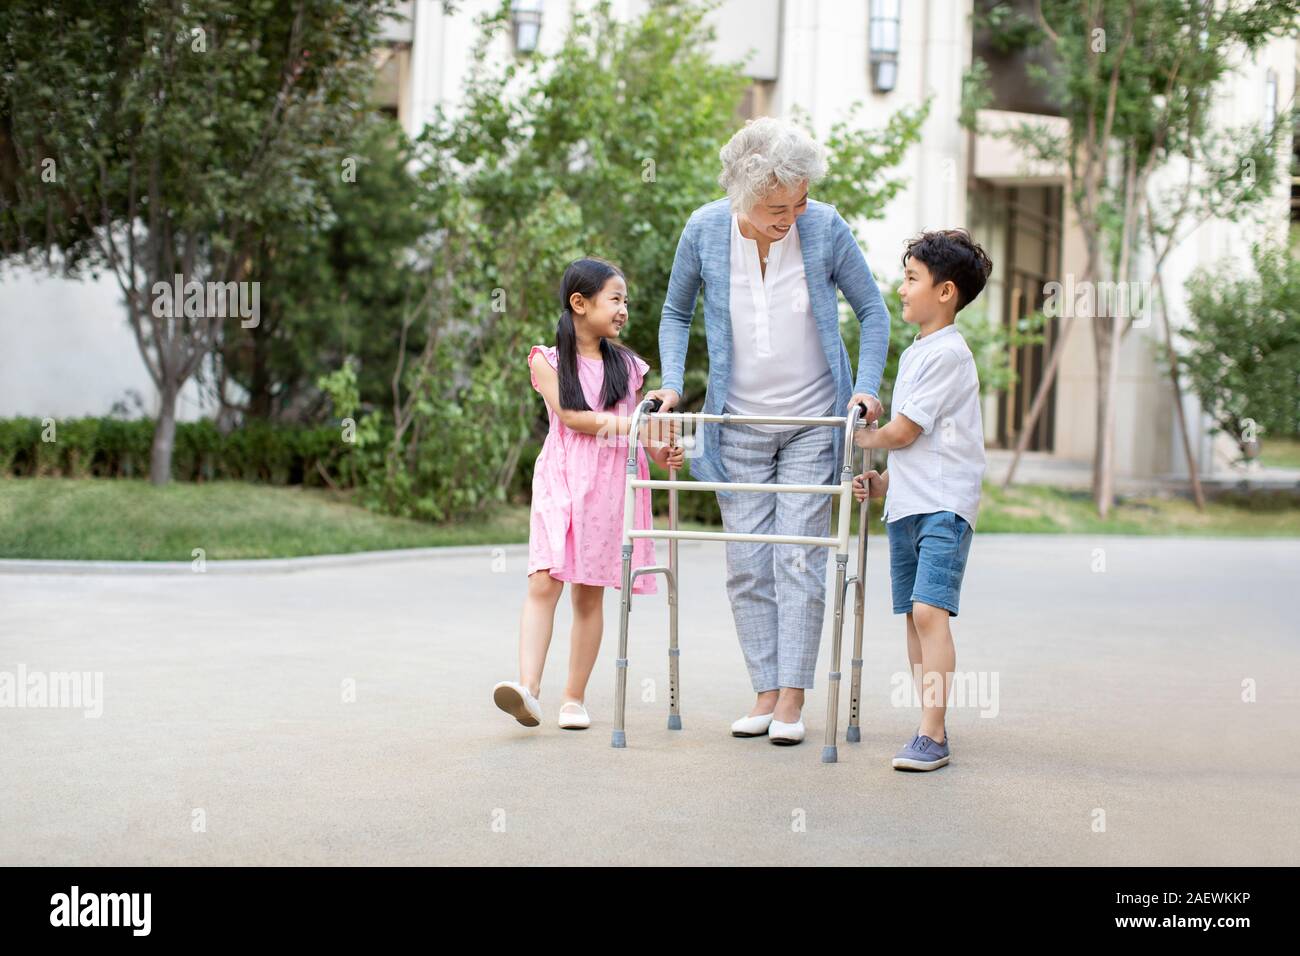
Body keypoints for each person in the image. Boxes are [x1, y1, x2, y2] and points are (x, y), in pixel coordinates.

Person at [645, 117, 891, 746]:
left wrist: (864, 387)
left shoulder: (824, 228)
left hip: (813, 419)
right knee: (748, 562)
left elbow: (872, 310)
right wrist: (673, 383)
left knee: (797, 557)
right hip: (739, 425)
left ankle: (791, 699)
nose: (792, 215)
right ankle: (762, 688)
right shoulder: (704, 229)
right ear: (742, 195)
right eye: (778, 205)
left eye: (800, 200)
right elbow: (676, 311)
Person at [493, 257, 683, 731]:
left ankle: (573, 698)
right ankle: (528, 689)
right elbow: (574, 417)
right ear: (580, 303)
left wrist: (663, 451)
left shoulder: (629, 368)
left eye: (625, 302)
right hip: (562, 477)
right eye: (615, 299)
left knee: (589, 595)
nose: (623, 310)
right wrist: (638, 427)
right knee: (544, 579)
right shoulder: (547, 360)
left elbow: (648, 443)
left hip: (610, 484)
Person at [852, 229, 993, 771]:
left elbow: (905, 430)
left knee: (929, 611)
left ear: (945, 292)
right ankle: (928, 722)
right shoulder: (918, 352)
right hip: (912, 503)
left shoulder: (949, 354)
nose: (902, 288)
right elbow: (920, 444)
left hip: (944, 505)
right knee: (914, 617)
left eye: (912, 278)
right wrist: (884, 483)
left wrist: (862, 437)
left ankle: (933, 735)